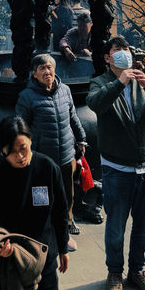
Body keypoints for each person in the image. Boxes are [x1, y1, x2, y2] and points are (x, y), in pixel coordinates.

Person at [87, 35, 145, 290]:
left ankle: (137, 270)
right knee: (115, 226)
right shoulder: (100, 82)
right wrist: (120, 80)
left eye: (125, 49)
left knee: (144, 226)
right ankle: (114, 272)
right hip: (117, 169)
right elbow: (96, 104)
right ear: (107, 57)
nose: (123, 53)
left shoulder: (144, 75)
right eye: (117, 50)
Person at [0, 115, 69, 290]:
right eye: (11, 151)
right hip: (11, 255)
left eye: (23, 148)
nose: (19, 156)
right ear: (2, 150)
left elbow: (60, 211)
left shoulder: (48, 168)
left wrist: (63, 247)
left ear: (30, 140)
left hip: (43, 253)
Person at [16, 53, 86, 246]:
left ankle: (66, 225)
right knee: (41, 194)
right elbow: (21, 127)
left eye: (50, 67)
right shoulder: (26, 97)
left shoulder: (65, 90)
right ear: (34, 73)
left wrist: (81, 138)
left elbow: (73, 117)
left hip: (65, 153)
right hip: (42, 156)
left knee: (66, 193)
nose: (47, 71)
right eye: (42, 68)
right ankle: (43, 228)